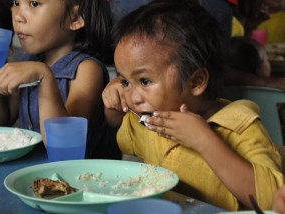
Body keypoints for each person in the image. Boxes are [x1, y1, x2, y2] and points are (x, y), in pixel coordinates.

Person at [102, 0, 283, 211]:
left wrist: (204, 140)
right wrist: (113, 101)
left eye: (144, 81)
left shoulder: (239, 125)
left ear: (196, 82)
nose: (132, 96)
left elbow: (271, 199)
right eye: (125, 81)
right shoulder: (152, 121)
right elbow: (117, 123)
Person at [0, 0, 121, 159]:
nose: (18, 17)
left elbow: (66, 145)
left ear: (75, 18)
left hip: (79, 179)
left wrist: (45, 78)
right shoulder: (29, 61)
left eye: (34, 4)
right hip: (34, 174)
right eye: (16, 2)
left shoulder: (87, 70)